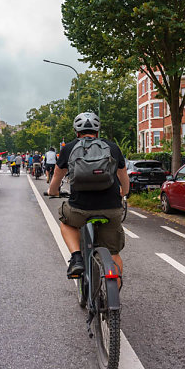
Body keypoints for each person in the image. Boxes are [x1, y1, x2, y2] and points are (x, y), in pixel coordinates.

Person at [48, 112, 129, 279]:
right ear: (98, 131)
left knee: (66, 221)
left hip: (80, 209)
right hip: (111, 208)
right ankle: (113, 296)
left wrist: (53, 191)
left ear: (76, 132)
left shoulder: (69, 148)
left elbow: (57, 175)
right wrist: (124, 192)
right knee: (113, 253)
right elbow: (123, 176)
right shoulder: (113, 147)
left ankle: (76, 257)